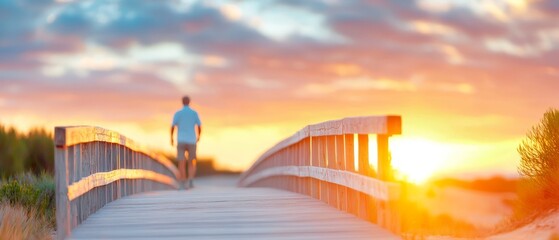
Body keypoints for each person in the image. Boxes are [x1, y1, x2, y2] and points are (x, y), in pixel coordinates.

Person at [171, 96, 202, 189]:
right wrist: (199, 136)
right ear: (189, 102)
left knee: (181, 162)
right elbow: (199, 126)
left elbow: (172, 126)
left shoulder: (178, 113)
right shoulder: (194, 113)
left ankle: (183, 181)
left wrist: (171, 138)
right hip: (191, 139)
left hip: (181, 139)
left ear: (182, 102)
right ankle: (191, 179)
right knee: (192, 161)